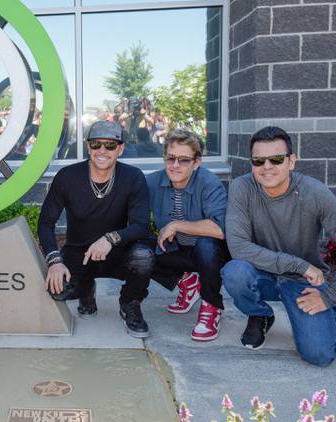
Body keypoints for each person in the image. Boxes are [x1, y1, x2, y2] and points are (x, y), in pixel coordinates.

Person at [222, 126, 336, 366]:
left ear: (291, 161)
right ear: (252, 164)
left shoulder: (313, 191)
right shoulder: (242, 187)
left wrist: (331, 297)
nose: (266, 166)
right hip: (262, 273)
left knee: (319, 355)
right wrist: (299, 265)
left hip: (302, 283)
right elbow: (239, 247)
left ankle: (325, 317)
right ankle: (260, 314)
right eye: (258, 161)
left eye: (276, 159)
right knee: (235, 273)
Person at [39, 120, 153, 338]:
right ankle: (85, 289)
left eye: (110, 145)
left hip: (118, 251)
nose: (102, 151)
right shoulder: (68, 176)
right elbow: (46, 223)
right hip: (79, 253)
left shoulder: (133, 176)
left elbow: (142, 226)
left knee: (143, 257)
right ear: (88, 146)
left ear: (120, 149)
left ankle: (130, 302)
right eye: (96, 144)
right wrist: (54, 261)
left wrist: (110, 238)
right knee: (58, 289)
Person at [146, 129, 229, 342]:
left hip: (212, 254)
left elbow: (220, 229)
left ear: (196, 162)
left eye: (184, 160)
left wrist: (175, 225)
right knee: (138, 251)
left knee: (206, 244)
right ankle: (186, 280)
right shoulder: (153, 182)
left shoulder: (209, 183)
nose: (175, 166)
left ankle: (211, 306)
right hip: (179, 250)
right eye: (170, 158)